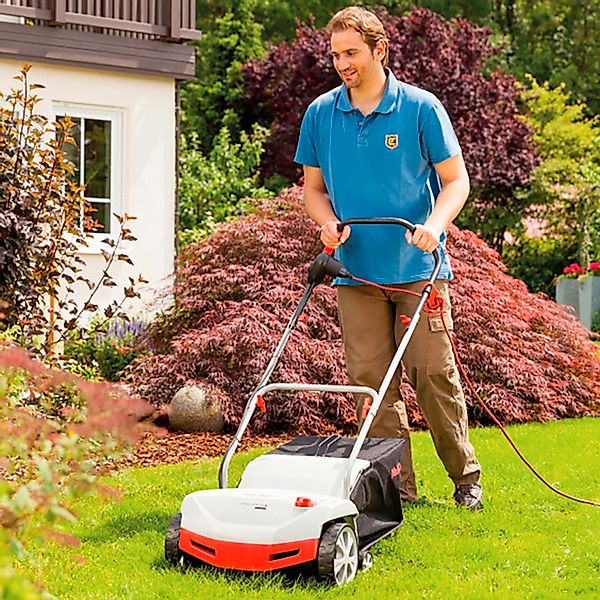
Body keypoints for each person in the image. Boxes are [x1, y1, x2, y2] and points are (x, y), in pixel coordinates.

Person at [294, 6, 483, 509]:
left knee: (433, 375)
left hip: (417, 270)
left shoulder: (420, 108)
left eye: (352, 53)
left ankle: (466, 479)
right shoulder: (320, 114)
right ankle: (397, 488)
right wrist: (326, 222)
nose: (342, 64)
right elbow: (313, 190)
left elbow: (456, 180)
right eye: (336, 55)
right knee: (370, 385)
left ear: (380, 50)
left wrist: (434, 226)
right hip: (354, 273)